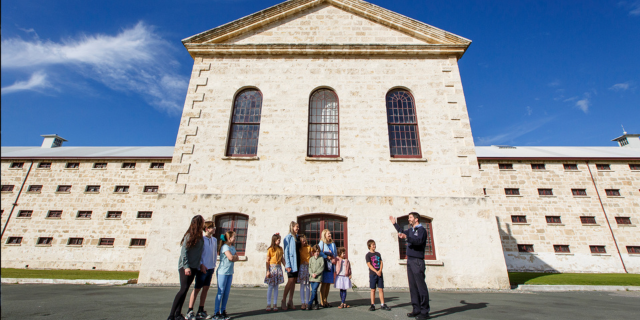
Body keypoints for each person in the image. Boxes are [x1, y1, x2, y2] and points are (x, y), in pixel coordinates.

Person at [390, 212, 430, 320]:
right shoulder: (410, 230)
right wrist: (395, 224)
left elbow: (419, 241)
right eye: (408, 218)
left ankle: (424, 311)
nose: (409, 219)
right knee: (413, 286)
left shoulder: (421, 230)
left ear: (416, 219)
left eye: (410, 217)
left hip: (417, 261)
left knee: (421, 287)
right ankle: (416, 309)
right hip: (410, 260)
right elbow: (402, 232)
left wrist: (407, 237)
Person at [168, 215, 206, 320]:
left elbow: (198, 253)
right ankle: (171, 315)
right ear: (198, 223)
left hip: (194, 266)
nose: (204, 223)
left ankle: (178, 314)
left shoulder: (200, 236)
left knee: (185, 290)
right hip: (186, 267)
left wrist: (200, 264)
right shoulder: (189, 235)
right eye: (202, 221)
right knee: (183, 289)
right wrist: (186, 266)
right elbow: (184, 252)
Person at [187, 221, 218, 320]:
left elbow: (214, 253)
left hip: (211, 268)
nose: (214, 229)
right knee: (197, 289)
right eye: (212, 227)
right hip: (202, 268)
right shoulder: (201, 240)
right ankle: (190, 310)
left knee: (205, 289)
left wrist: (213, 265)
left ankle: (201, 310)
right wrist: (201, 264)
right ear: (207, 229)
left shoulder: (215, 240)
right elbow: (198, 253)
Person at [213, 231, 239, 320]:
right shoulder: (224, 247)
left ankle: (223, 311)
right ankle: (216, 313)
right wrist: (233, 257)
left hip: (229, 272)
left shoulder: (232, 247)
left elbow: (237, 257)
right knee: (221, 292)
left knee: (226, 293)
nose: (235, 239)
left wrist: (234, 257)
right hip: (222, 273)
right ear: (229, 238)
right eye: (234, 237)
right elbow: (231, 258)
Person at [365, 239, 391, 311]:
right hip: (373, 274)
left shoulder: (378, 254)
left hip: (379, 274)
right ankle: (372, 304)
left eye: (375, 244)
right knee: (373, 290)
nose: (374, 246)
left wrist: (380, 270)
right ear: (369, 246)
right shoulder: (368, 255)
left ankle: (382, 304)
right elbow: (369, 264)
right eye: (373, 245)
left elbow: (381, 262)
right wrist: (376, 271)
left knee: (381, 289)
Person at [282, 221, 300, 310]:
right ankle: (283, 300)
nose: (298, 228)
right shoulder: (287, 238)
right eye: (296, 227)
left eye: (298, 227)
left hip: (297, 262)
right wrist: (287, 265)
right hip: (291, 263)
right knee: (290, 280)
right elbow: (286, 252)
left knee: (294, 281)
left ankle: (290, 300)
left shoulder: (297, 237)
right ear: (292, 227)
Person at [264, 233, 284, 312]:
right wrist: (267, 271)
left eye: (279, 240)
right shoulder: (270, 249)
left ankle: (275, 303)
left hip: (278, 268)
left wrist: (286, 266)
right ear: (274, 240)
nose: (279, 241)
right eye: (278, 239)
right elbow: (267, 261)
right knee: (270, 287)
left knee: (276, 287)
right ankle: (269, 303)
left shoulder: (280, 249)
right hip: (272, 268)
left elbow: (282, 259)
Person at [318, 229, 337, 308]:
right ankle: (322, 301)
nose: (330, 234)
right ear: (324, 235)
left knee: (328, 283)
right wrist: (326, 256)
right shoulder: (322, 243)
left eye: (330, 233)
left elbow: (335, 253)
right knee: (324, 283)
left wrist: (333, 258)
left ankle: (326, 300)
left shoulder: (332, 244)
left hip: (330, 266)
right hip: (324, 265)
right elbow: (318, 251)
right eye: (328, 233)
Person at [307, 244, 324, 311]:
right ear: (313, 252)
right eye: (315, 251)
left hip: (318, 278)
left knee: (314, 290)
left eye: (318, 251)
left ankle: (310, 303)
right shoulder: (311, 259)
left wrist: (316, 274)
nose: (317, 253)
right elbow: (309, 267)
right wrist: (312, 274)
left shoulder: (321, 259)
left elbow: (322, 267)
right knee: (314, 291)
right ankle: (316, 303)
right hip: (312, 277)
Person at [297, 234, 311, 310]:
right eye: (302, 241)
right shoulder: (299, 249)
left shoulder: (309, 248)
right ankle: (302, 302)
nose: (304, 242)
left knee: (308, 285)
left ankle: (307, 302)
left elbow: (311, 257)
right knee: (302, 285)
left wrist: (309, 263)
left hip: (308, 267)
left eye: (304, 240)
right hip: (302, 267)